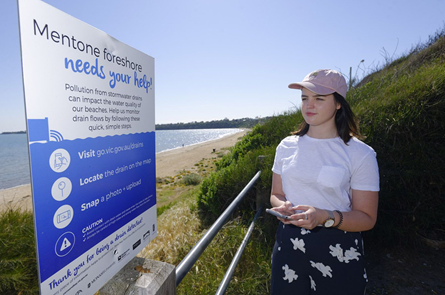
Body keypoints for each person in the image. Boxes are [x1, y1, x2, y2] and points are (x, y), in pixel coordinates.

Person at [269, 69, 379, 294]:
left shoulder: (361, 154)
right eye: (304, 98)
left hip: (337, 245)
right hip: (289, 243)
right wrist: (283, 207)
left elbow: (367, 218)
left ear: (338, 103)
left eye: (319, 98)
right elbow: (276, 194)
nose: (309, 105)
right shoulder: (286, 146)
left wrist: (323, 217)